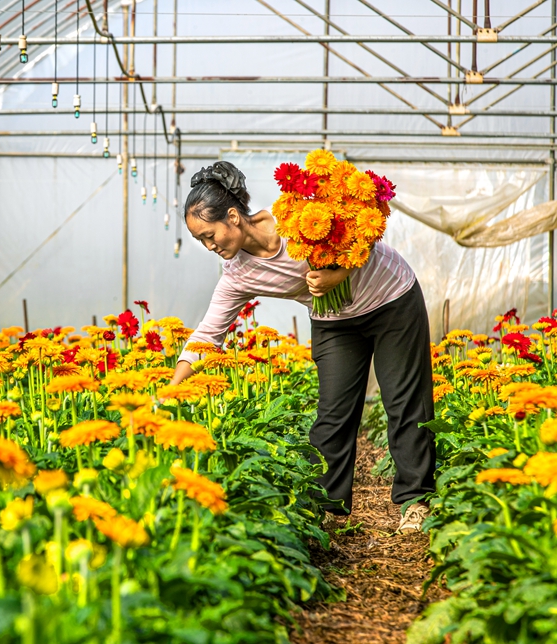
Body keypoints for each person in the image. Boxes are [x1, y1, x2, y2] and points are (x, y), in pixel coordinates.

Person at [169, 160, 435, 534]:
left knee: (404, 402)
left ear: (233, 216)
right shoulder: (238, 274)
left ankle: (415, 501)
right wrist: (171, 389)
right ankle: (326, 507)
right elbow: (208, 333)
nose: (209, 246)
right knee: (333, 413)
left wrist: (339, 273)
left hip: (390, 299)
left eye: (210, 235)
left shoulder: (296, 219)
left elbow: (364, 233)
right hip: (333, 322)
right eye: (202, 241)